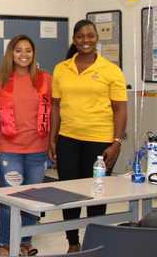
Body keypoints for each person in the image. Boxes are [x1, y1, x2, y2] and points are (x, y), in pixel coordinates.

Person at [48, 19, 127, 253]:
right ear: (74, 39)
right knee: (68, 194)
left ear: (96, 38)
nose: (86, 40)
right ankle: (73, 243)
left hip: (100, 142)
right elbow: (55, 107)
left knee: (96, 195)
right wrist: (52, 138)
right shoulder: (61, 68)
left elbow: (120, 109)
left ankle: (94, 243)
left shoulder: (111, 70)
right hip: (68, 139)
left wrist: (116, 142)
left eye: (90, 36)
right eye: (81, 36)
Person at [0, 35, 52, 256]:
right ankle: (6, 242)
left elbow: (55, 111)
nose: (24, 54)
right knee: (9, 199)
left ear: (34, 53)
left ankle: (25, 240)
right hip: (9, 150)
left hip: (38, 150)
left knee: (32, 199)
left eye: (28, 50)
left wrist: (52, 142)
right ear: (11, 53)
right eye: (18, 50)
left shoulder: (46, 79)